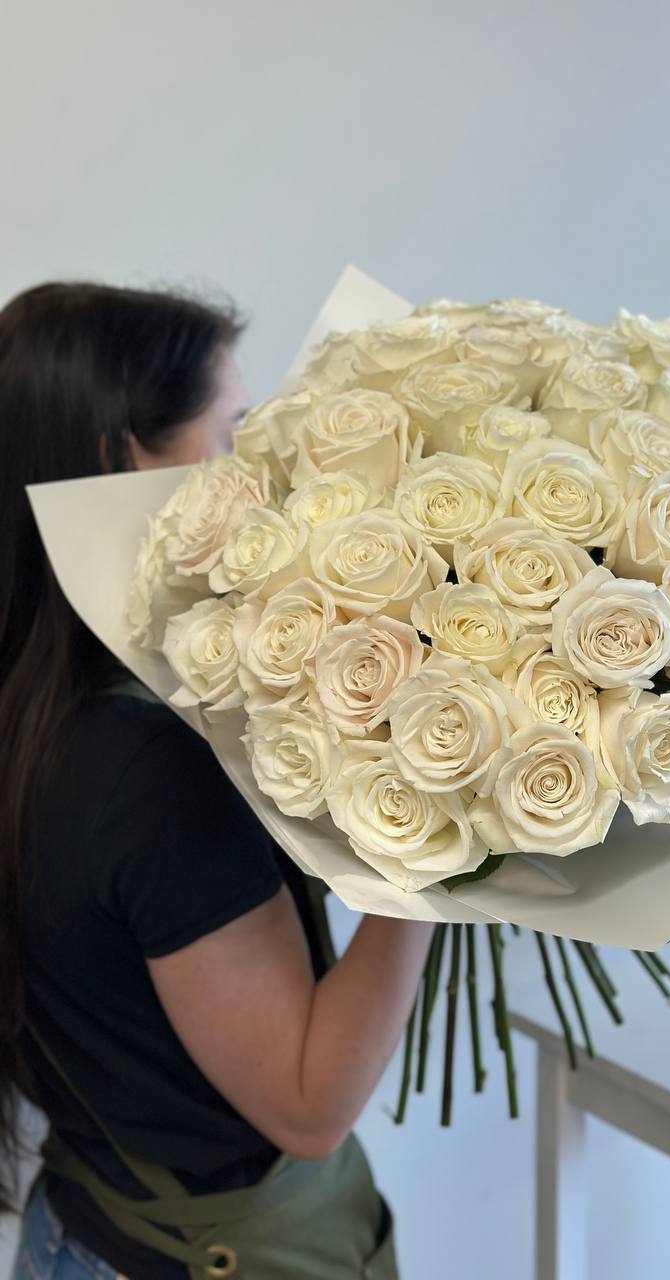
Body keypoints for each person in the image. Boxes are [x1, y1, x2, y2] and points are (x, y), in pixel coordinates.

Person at [0, 283, 434, 1279]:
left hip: (76, 1223)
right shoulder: (150, 768)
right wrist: (447, 840)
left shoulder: (31, 697)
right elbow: (307, 1100)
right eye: (231, 436)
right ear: (121, 463)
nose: (257, 475)